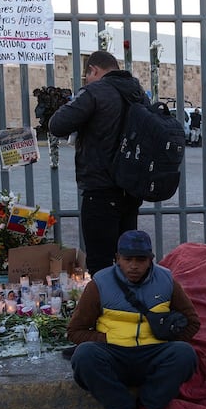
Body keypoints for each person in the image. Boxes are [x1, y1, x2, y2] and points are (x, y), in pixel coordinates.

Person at [67, 230, 200, 409]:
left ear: (151, 260)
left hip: (153, 354)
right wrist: (107, 340)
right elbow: (75, 331)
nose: (134, 266)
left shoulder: (166, 280)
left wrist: (165, 341)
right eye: (127, 259)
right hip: (114, 354)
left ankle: (150, 408)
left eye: (141, 260)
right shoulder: (100, 283)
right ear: (117, 259)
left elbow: (192, 322)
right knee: (84, 355)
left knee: (184, 354)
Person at [48, 51, 150, 276]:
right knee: (127, 259)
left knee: (100, 264)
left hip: (100, 190)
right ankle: (126, 306)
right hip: (131, 190)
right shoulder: (138, 93)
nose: (87, 81)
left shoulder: (95, 92)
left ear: (93, 70)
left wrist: (75, 99)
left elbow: (57, 125)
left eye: (87, 76)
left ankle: (106, 307)